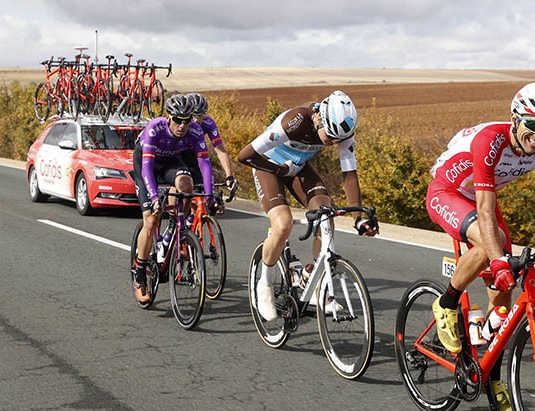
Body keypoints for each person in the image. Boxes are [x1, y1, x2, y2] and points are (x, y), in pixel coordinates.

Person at [425, 82, 535, 411]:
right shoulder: (490, 141)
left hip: (481, 201)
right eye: (533, 125)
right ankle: (446, 304)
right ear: (515, 118)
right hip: (449, 192)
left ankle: (488, 370)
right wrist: (498, 259)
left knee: (501, 299)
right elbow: (486, 210)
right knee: (497, 248)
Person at [236, 90, 378, 321]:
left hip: (297, 168)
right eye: (330, 137)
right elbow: (244, 156)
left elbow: (349, 174)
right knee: (283, 225)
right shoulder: (295, 122)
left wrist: (358, 218)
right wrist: (282, 169)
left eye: (338, 140)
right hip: (267, 166)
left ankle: (315, 283)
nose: (333, 143)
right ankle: (265, 284)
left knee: (326, 215)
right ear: (320, 118)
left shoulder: (342, 131)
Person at [131, 94, 215, 305]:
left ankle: (175, 228)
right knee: (150, 218)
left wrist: (210, 195)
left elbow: (205, 164)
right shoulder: (154, 129)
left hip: (169, 161)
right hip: (146, 163)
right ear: (168, 117)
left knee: (186, 185)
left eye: (187, 120)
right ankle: (140, 273)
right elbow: (148, 169)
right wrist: (153, 198)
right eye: (178, 120)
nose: (182, 125)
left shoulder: (195, 131)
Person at [182, 93, 239, 212]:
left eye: (201, 114)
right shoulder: (181, 124)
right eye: (193, 115)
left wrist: (229, 176)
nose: (197, 119)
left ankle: (192, 221)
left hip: (197, 159)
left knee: (205, 203)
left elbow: (220, 150)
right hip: (179, 158)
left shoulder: (208, 123)